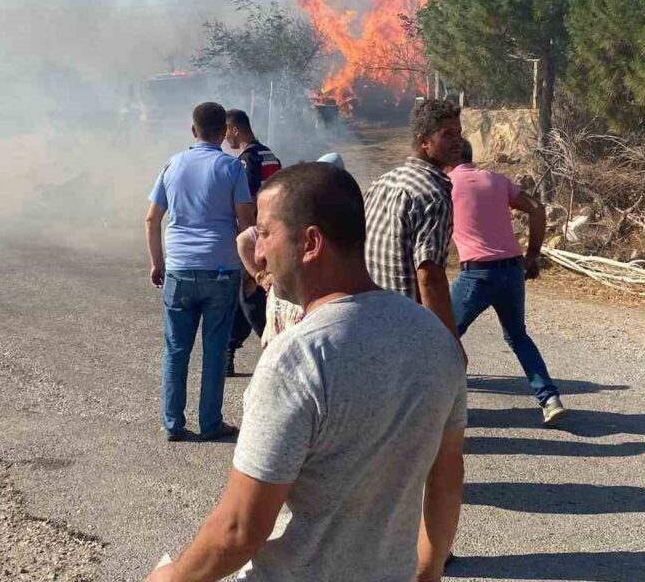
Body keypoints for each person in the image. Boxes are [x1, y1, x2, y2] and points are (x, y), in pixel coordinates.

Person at [142, 162, 466, 582]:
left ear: (311, 242)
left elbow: (239, 529)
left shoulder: (297, 358)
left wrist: (174, 580)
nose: (258, 254)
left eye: (266, 233)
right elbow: (446, 478)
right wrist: (427, 574)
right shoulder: (436, 342)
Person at [145, 102, 255, 442]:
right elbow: (245, 222)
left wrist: (157, 262)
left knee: (176, 349)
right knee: (214, 347)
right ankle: (210, 423)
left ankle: (172, 423)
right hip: (221, 269)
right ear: (224, 132)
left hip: (179, 269)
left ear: (193, 132)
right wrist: (252, 269)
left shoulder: (172, 165)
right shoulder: (232, 168)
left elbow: (152, 218)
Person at [448, 139, 567, 425]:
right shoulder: (496, 180)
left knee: (442, 335)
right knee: (517, 336)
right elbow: (538, 208)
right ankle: (549, 399)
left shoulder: (445, 185)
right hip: (511, 270)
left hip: (476, 273)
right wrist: (533, 256)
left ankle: (448, 407)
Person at [363, 99, 465, 339]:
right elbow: (430, 276)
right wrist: (447, 341)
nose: (458, 141)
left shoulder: (383, 182)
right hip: (408, 330)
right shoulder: (432, 194)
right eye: (448, 134)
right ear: (424, 142)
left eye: (459, 133)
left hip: (372, 319)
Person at [235, 153, 348, 347]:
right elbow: (244, 240)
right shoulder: (292, 212)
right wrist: (261, 276)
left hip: (306, 305)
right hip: (295, 303)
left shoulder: (337, 214)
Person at [224, 108, 282, 377]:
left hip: (258, 236)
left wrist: (246, 243)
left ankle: (274, 345)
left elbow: (246, 206)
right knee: (243, 296)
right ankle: (228, 352)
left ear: (235, 129)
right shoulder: (268, 153)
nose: (226, 139)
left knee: (252, 296)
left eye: (227, 132)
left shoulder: (246, 161)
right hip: (274, 232)